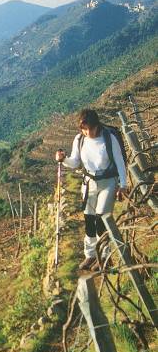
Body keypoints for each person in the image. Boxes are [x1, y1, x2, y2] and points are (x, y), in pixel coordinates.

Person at [55, 109, 127, 270]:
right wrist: (63, 159)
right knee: (89, 221)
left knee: (101, 219)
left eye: (91, 128)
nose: (88, 132)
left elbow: (120, 162)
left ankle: (105, 258)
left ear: (97, 125)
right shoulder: (80, 139)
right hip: (89, 184)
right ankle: (90, 256)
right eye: (84, 129)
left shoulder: (109, 138)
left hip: (108, 182)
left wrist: (123, 185)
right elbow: (75, 162)